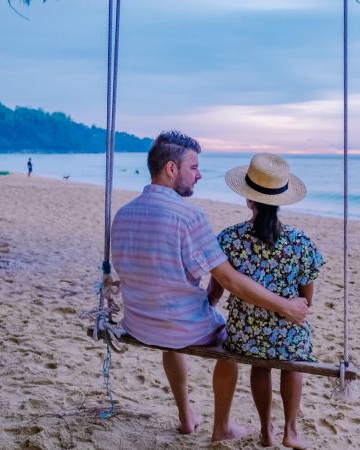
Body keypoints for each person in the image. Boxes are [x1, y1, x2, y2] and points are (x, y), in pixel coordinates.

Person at [110, 130, 310, 442]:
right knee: (230, 339)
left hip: (138, 322)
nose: (200, 175)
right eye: (194, 168)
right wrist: (286, 306)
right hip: (178, 327)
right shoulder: (189, 216)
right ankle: (222, 427)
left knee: (177, 327)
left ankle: (186, 415)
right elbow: (230, 280)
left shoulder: (122, 214)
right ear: (171, 169)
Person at [208, 153, 323, 449]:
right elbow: (306, 299)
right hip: (286, 335)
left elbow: (216, 292)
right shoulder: (301, 243)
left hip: (244, 336)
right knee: (293, 358)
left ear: (249, 200)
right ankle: (291, 430)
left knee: (260, 363)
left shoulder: (229, 239)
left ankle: (265, 431)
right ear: (282, 200)